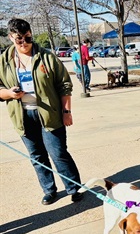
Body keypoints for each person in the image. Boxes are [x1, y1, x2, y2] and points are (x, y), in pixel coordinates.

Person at [0, 18, 83, 205]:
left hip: (49, 113)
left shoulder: (46, 57)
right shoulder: (4, 61)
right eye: (19, 39)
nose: (25, 44)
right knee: (37, 156)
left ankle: (74, 187)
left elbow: (64, 85)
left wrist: (66, 111)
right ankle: (49, 190)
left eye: (28, 38)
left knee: (58, 152)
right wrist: (9, 93)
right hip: (23, 115)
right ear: (11, 37)